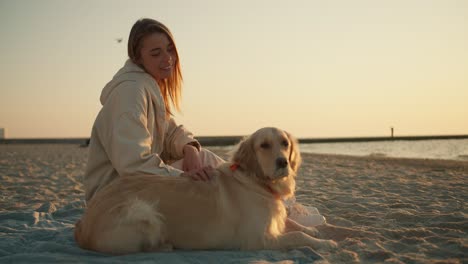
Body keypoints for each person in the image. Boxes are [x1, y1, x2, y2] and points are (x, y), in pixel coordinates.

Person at [84, 18, 225, 202]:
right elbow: (132, 163)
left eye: (170, 49)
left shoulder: (147, 86)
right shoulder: (130, 93)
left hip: (133, 189)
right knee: (207, 170)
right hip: (114, 199)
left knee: (203, 159)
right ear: (137, 57)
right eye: (156, 53)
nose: (167, 58)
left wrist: (189, 148)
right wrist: (182, 177)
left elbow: (170, 132)